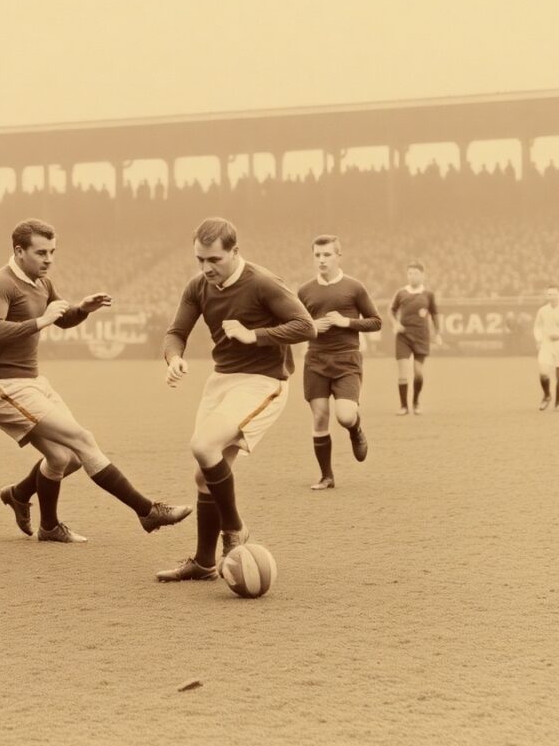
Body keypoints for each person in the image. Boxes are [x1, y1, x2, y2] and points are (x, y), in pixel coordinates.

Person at [0, 218, 191, 543]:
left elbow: (61, 320)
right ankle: (147, 511)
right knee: (83, 439)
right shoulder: (0, 284)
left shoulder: (41, 282)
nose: (48, 259)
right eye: (40, 252)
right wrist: (40, 321)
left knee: (67, 458)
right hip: (2, 386)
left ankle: (33, 510)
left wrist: (82, 310)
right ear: (19, 251)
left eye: (52, 252)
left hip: (31, 381)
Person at [157, 218, 316, 582]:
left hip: (263, 382)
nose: (206, 268)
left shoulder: (262, 283)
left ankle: (234, 530)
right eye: (200, 259)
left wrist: (253, 335)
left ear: (235, 252)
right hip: (221, 382)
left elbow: (307, 326)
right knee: (203, 474)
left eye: (214, 259)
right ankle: (203, 563)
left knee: (203, 444)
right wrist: (175, 358)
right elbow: (175, 332)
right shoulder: (198, 286)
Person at [296, 234, 381, 490]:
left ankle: (356, 430)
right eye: (317, 255)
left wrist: (347, 322)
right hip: (315, 360)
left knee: (345, 416)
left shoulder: (354, 287)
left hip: (347, 360)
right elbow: (293, 325)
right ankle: (327, 476)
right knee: (320, 416)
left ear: (338, 256)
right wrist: (311, 326)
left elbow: (376, 321)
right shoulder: (305, 291)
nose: (321, 260)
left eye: (327, 255)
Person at [389, 262, 441, 415]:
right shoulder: (401, 293)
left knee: (418, 373)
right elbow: (391, 311)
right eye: (410, 273)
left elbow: (435, 314)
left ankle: (416, 402)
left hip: (421, 336)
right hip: (403, 336)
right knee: (403, 371)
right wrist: (395, 323)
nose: (412, 276)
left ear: (423, 275)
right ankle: (404, 406)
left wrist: (437, 333)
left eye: (415, 273)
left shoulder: (428, 295)